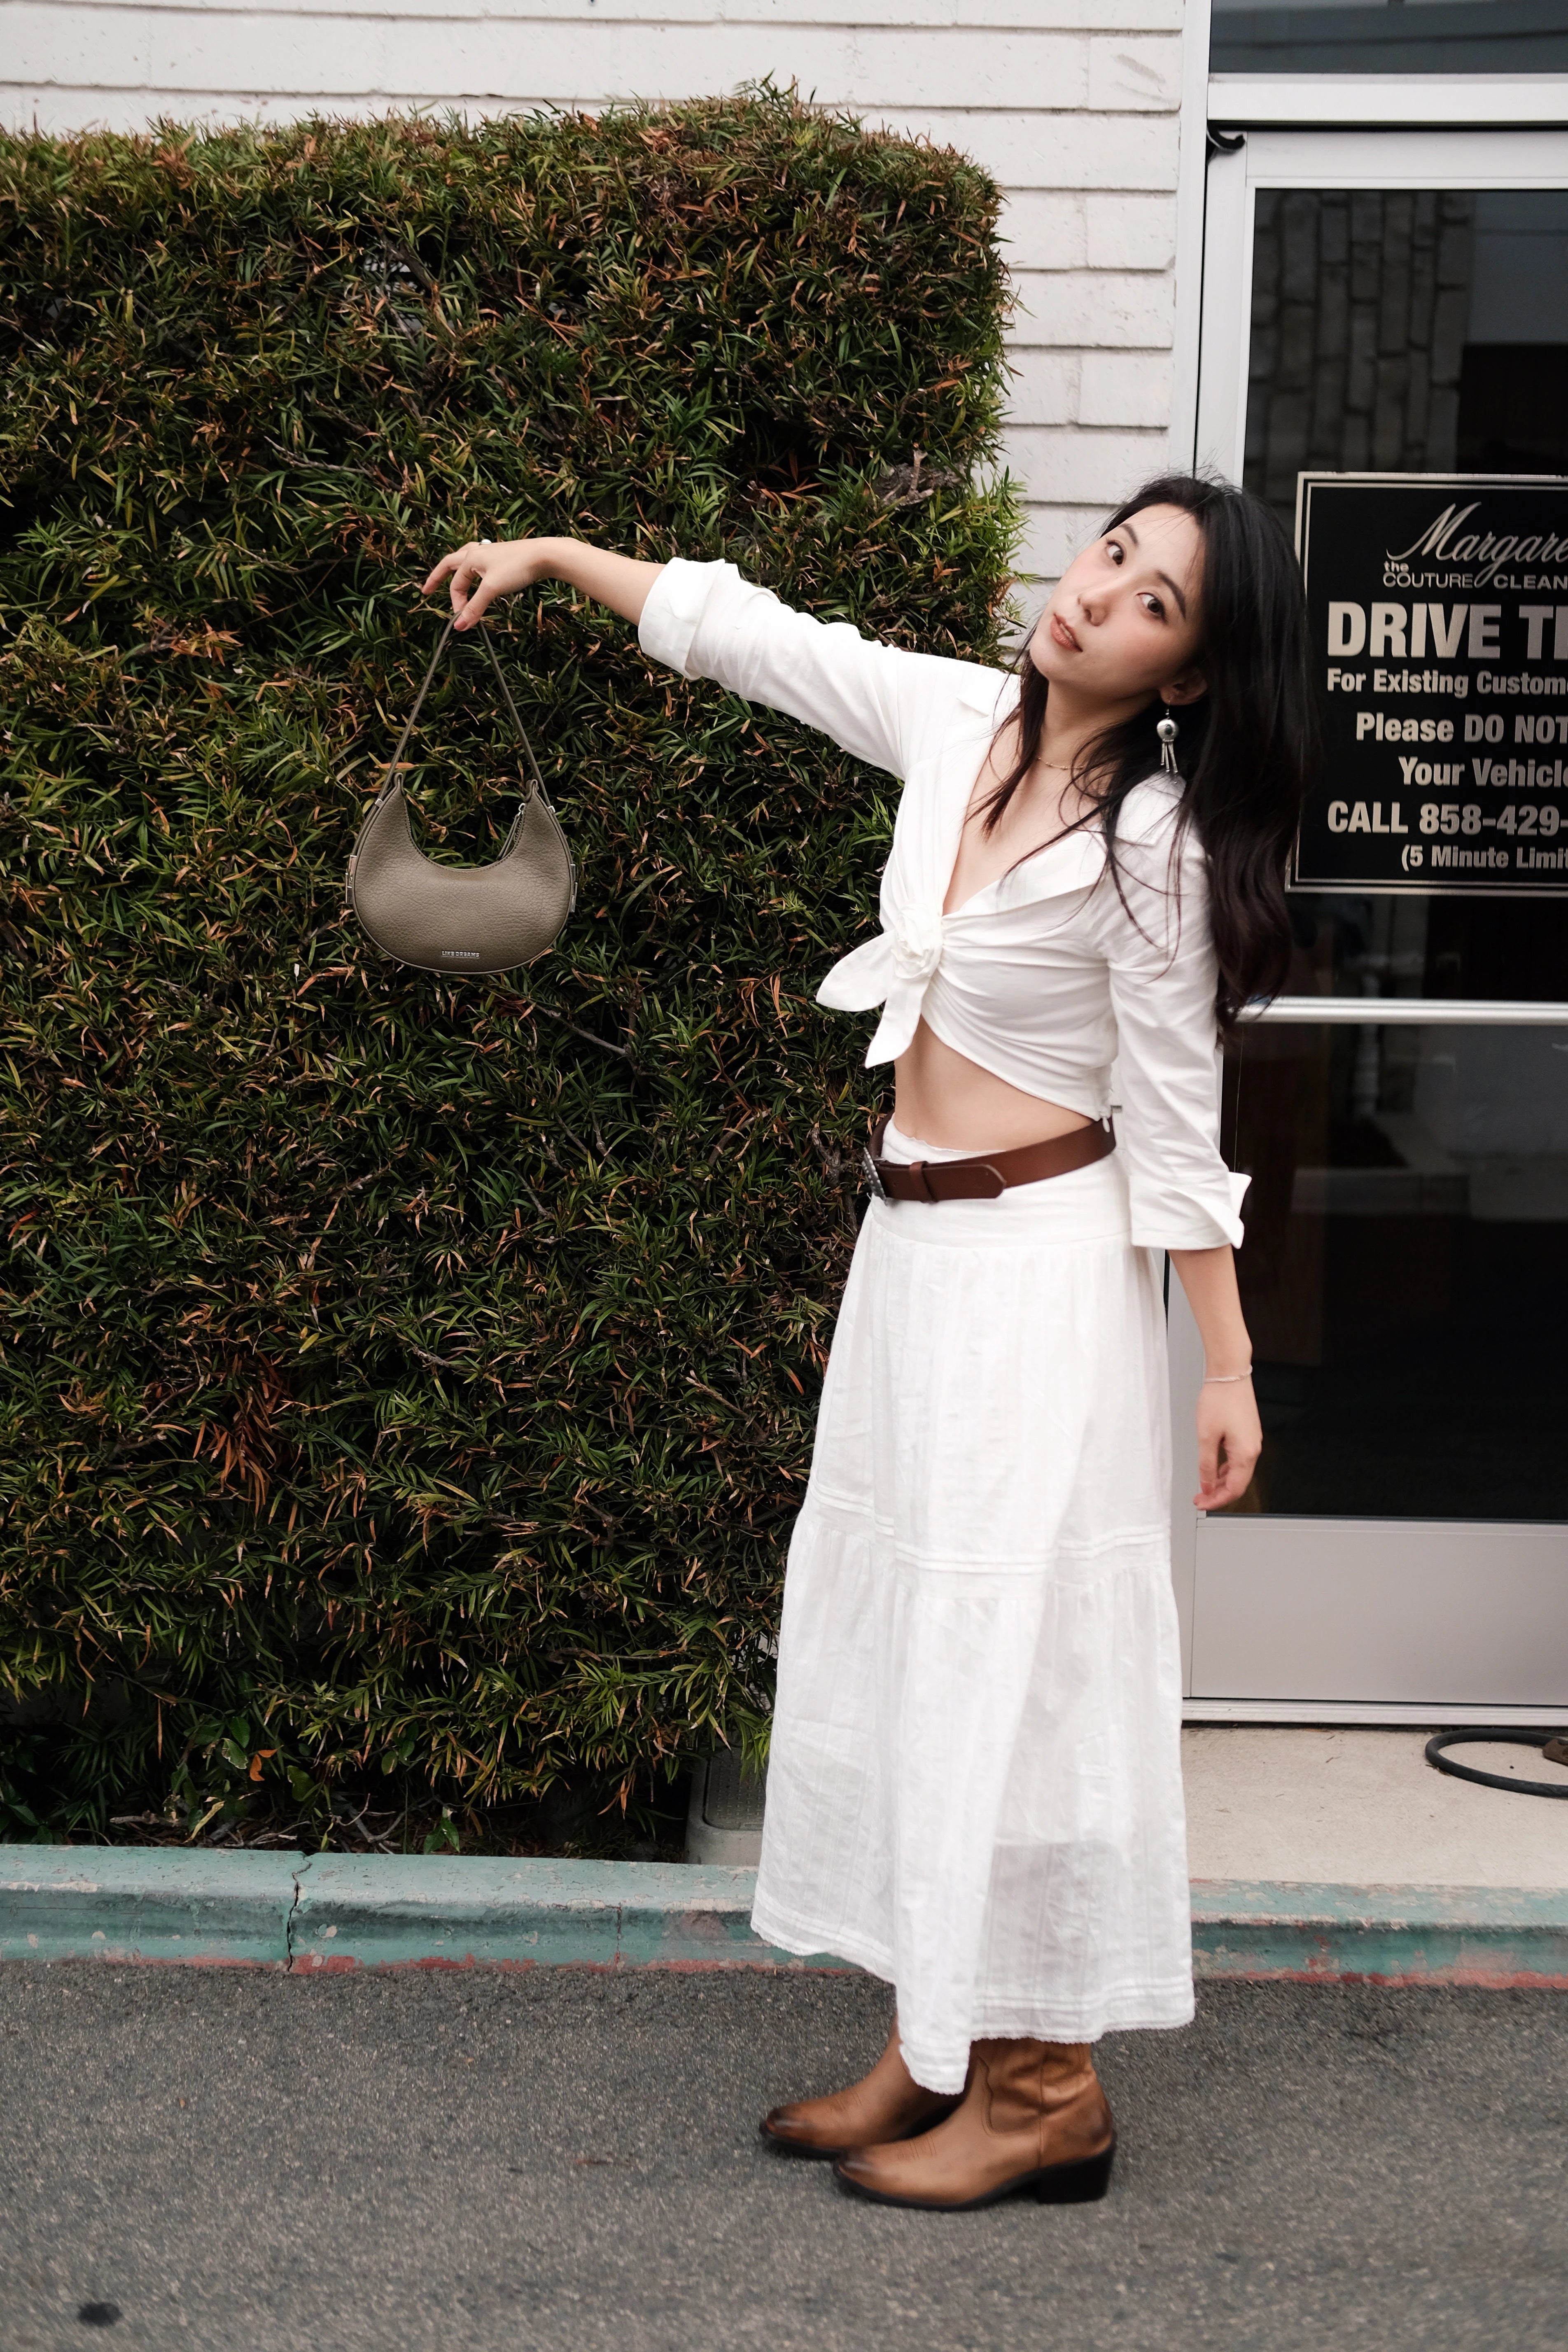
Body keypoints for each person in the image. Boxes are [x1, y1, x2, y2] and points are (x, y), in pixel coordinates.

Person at [422, 475, 1316, 2211]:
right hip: (915, 1260)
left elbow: (1177, 1128)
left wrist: (1226, 1368)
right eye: (1112, 552)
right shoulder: (962, 718)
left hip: (1044, 1285)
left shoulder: (1152, 848)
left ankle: (1047, 2088)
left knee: (1017, 1660)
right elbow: (754, 637)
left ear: (1192, 677)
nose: (1099, 594)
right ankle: (937, 2039)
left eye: (1154, 601)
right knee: (917, 1642)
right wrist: (549, 557)